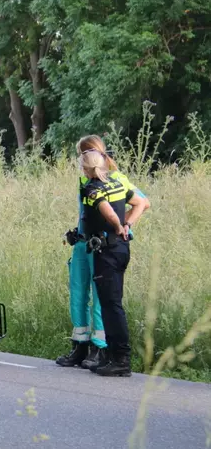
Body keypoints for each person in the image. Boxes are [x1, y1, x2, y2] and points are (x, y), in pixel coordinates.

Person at [56, 136, 150, 370]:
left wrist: (122, 225)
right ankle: (80, 345)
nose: (79, 161)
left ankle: (100, 347)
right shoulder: (85, 180)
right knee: (78, 294)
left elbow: (143, 202)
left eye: (81, 155)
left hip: (101, 245)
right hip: (82, 242)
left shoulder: (116, 178)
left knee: (100, 298)